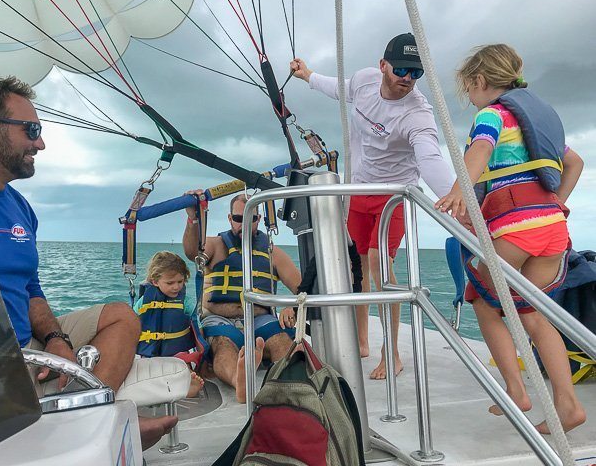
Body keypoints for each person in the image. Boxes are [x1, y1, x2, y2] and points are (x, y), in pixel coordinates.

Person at [0, 77, 178, 450]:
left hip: (26, 343)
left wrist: (57, 340)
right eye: (32, 130)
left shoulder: (20, 207)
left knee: (122, 316)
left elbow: (31, 290)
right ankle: (98, 425)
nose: (40, 143)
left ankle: (89, 419)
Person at [435, 43, 586, 433]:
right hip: (553, 227)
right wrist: (555, 205)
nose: (470, 98)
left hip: (516, 227)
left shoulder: (493, 115)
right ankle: (568, 406)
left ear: (481, 81)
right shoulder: (537, 120)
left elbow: (480, 151)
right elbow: (574, 162)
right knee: (533, 313)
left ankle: (515, 391)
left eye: (468, 89)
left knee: (482, 302)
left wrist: (456, 190)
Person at [290, 33, 454, 379]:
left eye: (416, 73)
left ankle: (391, 352)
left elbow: (429, 157)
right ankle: (362, 341)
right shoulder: (365, 81)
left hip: (395, 194)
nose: (408, 78)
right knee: (358, 269)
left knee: (381, 264)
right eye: (402, 69)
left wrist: (456, 200)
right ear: (383, 66)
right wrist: (307, 76)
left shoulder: (418, 114)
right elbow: (339, 87)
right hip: (359, 190)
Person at [183, 192, 301, 403]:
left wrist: (291, 307)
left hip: (260, 320)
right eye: (239, 219)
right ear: (230, 219)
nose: (244, 224)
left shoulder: (273, 253)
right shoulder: (215, 245)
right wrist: (194, 218)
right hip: (221, 320)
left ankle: (289, 384)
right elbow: (192, 251)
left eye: (251, 219)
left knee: (283, 341)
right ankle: (240, 380)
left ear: (259, 220)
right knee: (223, 345)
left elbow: (302, 290)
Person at [134, 250, 204, 397]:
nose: (176, 287)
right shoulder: (143, 302)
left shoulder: (185, 301)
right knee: (146, 372)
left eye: (180, 282)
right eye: (170, 283)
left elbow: (197, 324)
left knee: (183, 367)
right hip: (150, 355)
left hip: (178, 352)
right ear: (155, 281)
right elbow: (131, 322)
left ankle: (188, 384)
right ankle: (165, 386)